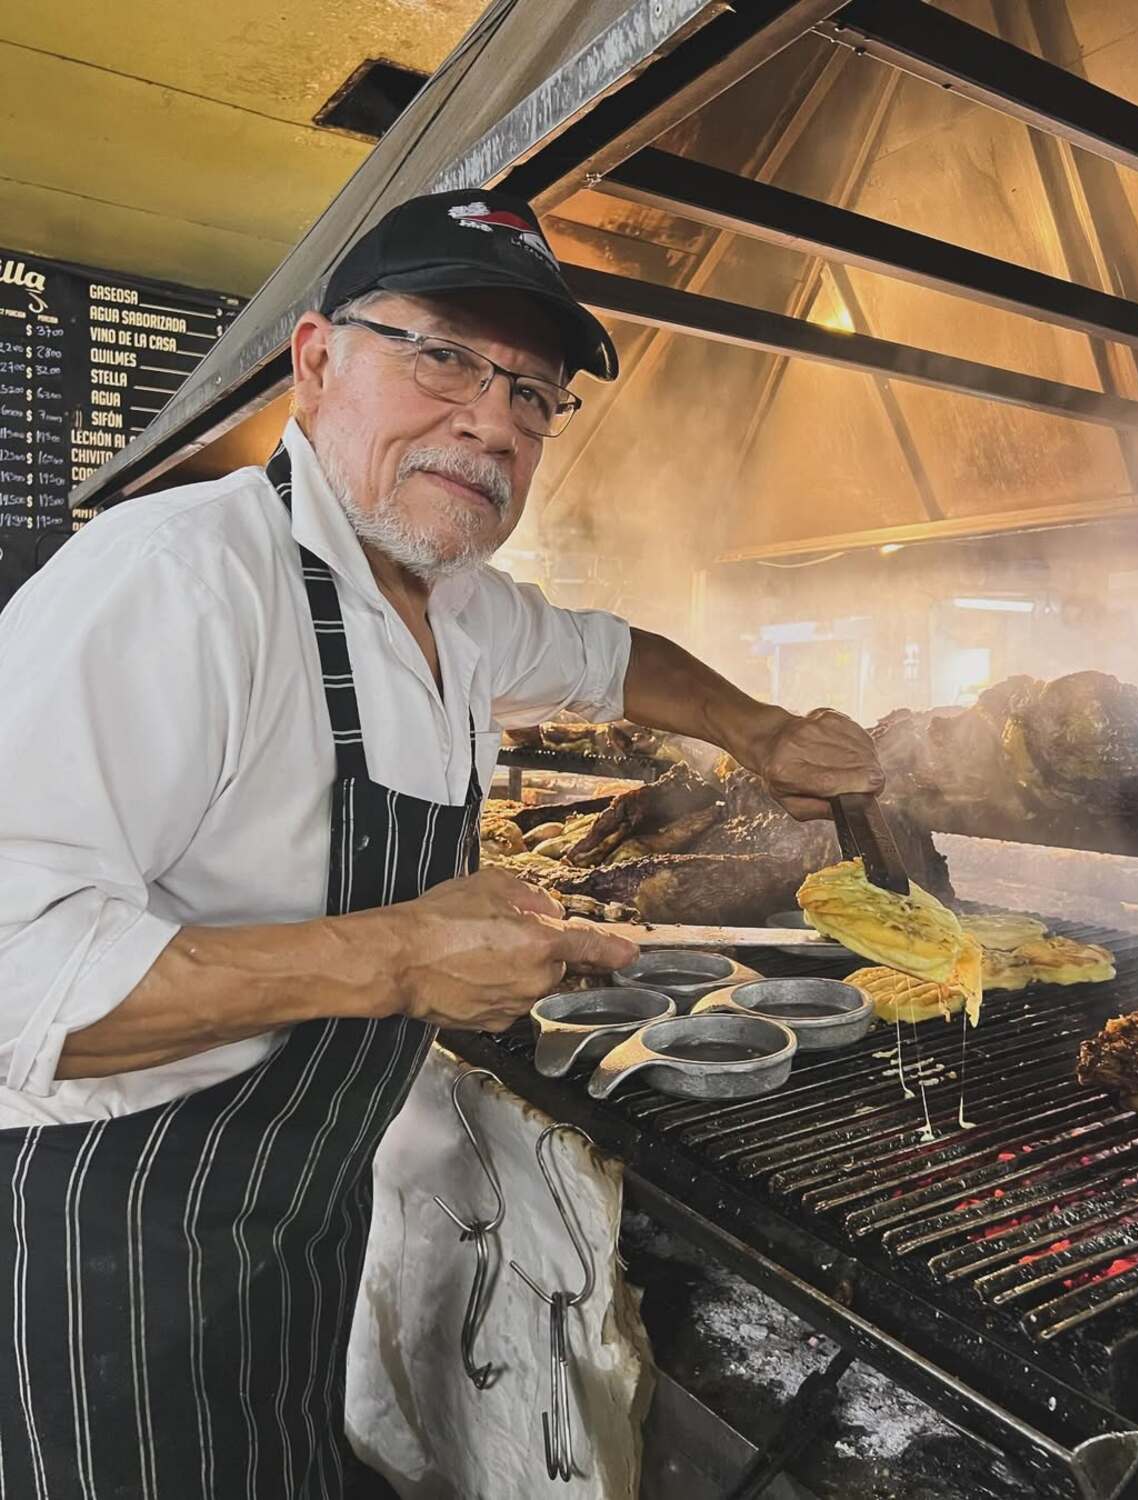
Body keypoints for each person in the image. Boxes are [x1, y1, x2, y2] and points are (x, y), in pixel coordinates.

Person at [0, 188, 883, 1498]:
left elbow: (617, 657)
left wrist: (760, 730)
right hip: (118, 1249)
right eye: (444, 356)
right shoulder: (182, 581)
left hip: (291, 1228)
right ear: (315, 362)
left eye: (532, 391)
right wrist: (397, 960)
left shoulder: (450, 608)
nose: (491, 417)